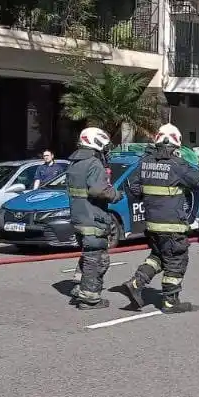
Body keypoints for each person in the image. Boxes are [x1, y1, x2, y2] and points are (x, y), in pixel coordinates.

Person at [117, 124, 199, 314]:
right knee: (176, 259)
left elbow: (132, 187)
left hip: (152, 223)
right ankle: (170, 301)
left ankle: (136, 283)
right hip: (172, 224)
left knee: (159, 256)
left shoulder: (144, 163)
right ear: (176, 143)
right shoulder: (177, 165)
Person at [65, 127, 122, 308]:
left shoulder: (74, 163)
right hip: (93, 218)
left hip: (79, 218)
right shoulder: (93, 163)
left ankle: (79, 286)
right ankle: (89, 298)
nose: (106, 151)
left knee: (88, 254)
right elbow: (98, 190)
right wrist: (115, 194)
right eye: (104, 147)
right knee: (97, 258)